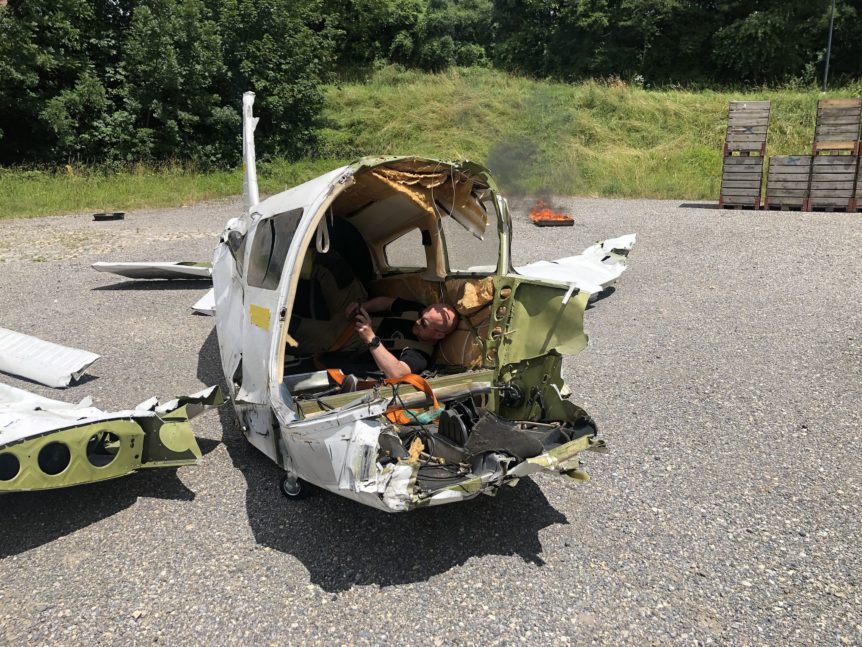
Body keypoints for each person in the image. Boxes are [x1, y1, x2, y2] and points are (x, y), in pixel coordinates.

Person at [344, 297, 457, 379]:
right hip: (353, 321)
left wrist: (371, 339)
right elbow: (387, 303)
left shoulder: (420, 355)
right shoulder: (417, 310)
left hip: (350, 349)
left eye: (424, 323)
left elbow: (398, 373)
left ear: (439, 335)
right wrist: (363, 307)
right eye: (421, 315)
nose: (417, 321)